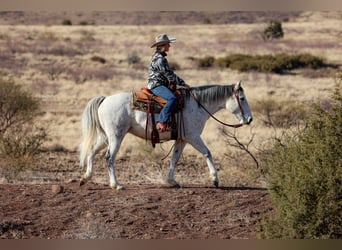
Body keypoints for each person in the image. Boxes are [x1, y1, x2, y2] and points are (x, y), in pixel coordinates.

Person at [147, 33, 190, 132]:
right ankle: (161, 121)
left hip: (160, 83)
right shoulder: (160, 59)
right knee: (172, 98)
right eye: (168, 44)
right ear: (163, 45)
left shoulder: (159, 57)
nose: (169, 46)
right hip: (156, 85)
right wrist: (183, 83)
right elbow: (169, 75)